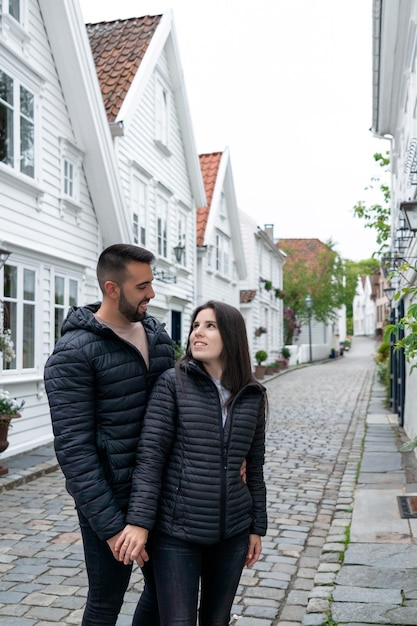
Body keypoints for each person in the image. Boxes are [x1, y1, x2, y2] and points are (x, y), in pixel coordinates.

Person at [44, 244, 175, 626]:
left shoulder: (158, 337)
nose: (151, 294)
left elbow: (182, 413)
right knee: (106, 601)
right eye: (142, 287)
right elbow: (74, 450)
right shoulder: (73, 354)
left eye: (151, 284)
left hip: (164, 494)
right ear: (112, 288)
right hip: (111, 502)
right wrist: (112, 526)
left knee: (163, 591)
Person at [116, 300, 268, 626]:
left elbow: (254, 466)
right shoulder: (173, 384)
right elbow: (150, 458)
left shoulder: (253, 395)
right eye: (195, 326)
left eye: (209, 326)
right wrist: (140, 522)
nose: (197, 333)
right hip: (177, 534)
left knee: (217, 619)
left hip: (232, 534)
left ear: (232, 336)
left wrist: (257, 526)